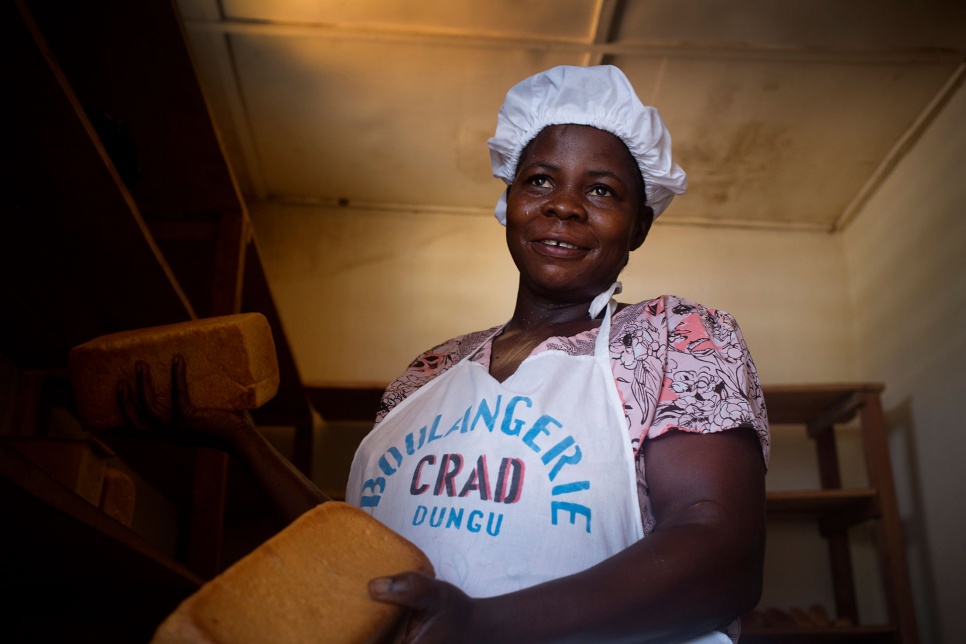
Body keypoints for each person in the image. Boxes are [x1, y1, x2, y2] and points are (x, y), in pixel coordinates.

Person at [120, 65, 768, 643]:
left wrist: (487, 625)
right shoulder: (427, 373)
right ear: (509, 202)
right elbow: (357, 549)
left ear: (640, 225)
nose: (564, 205)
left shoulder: (675, 338)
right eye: (540, 179)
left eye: (601, 190)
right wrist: (240, 439)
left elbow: (722, 556)